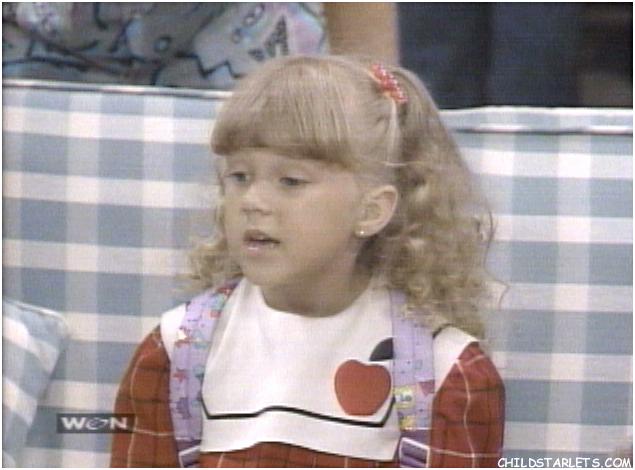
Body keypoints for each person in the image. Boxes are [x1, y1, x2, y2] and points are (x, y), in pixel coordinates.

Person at [110, 55, 504, 468]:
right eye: (240, 176)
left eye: (290, 181)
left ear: (371, 211)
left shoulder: (443, 373)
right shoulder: (178, 353)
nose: (253, 202)